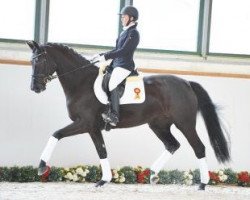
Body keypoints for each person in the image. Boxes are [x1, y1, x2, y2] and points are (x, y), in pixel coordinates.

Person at [92, 6, 140, 126]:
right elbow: (117, 49)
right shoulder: (124, 32)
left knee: (112, 83)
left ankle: (114, 116)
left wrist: (106, 57)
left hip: (125, 65)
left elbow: (123, 51)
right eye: (122, 17)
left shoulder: (134, 33)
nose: (122, 19)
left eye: (124, 17)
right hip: (117, 64)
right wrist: (101, 55)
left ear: (132, 18)